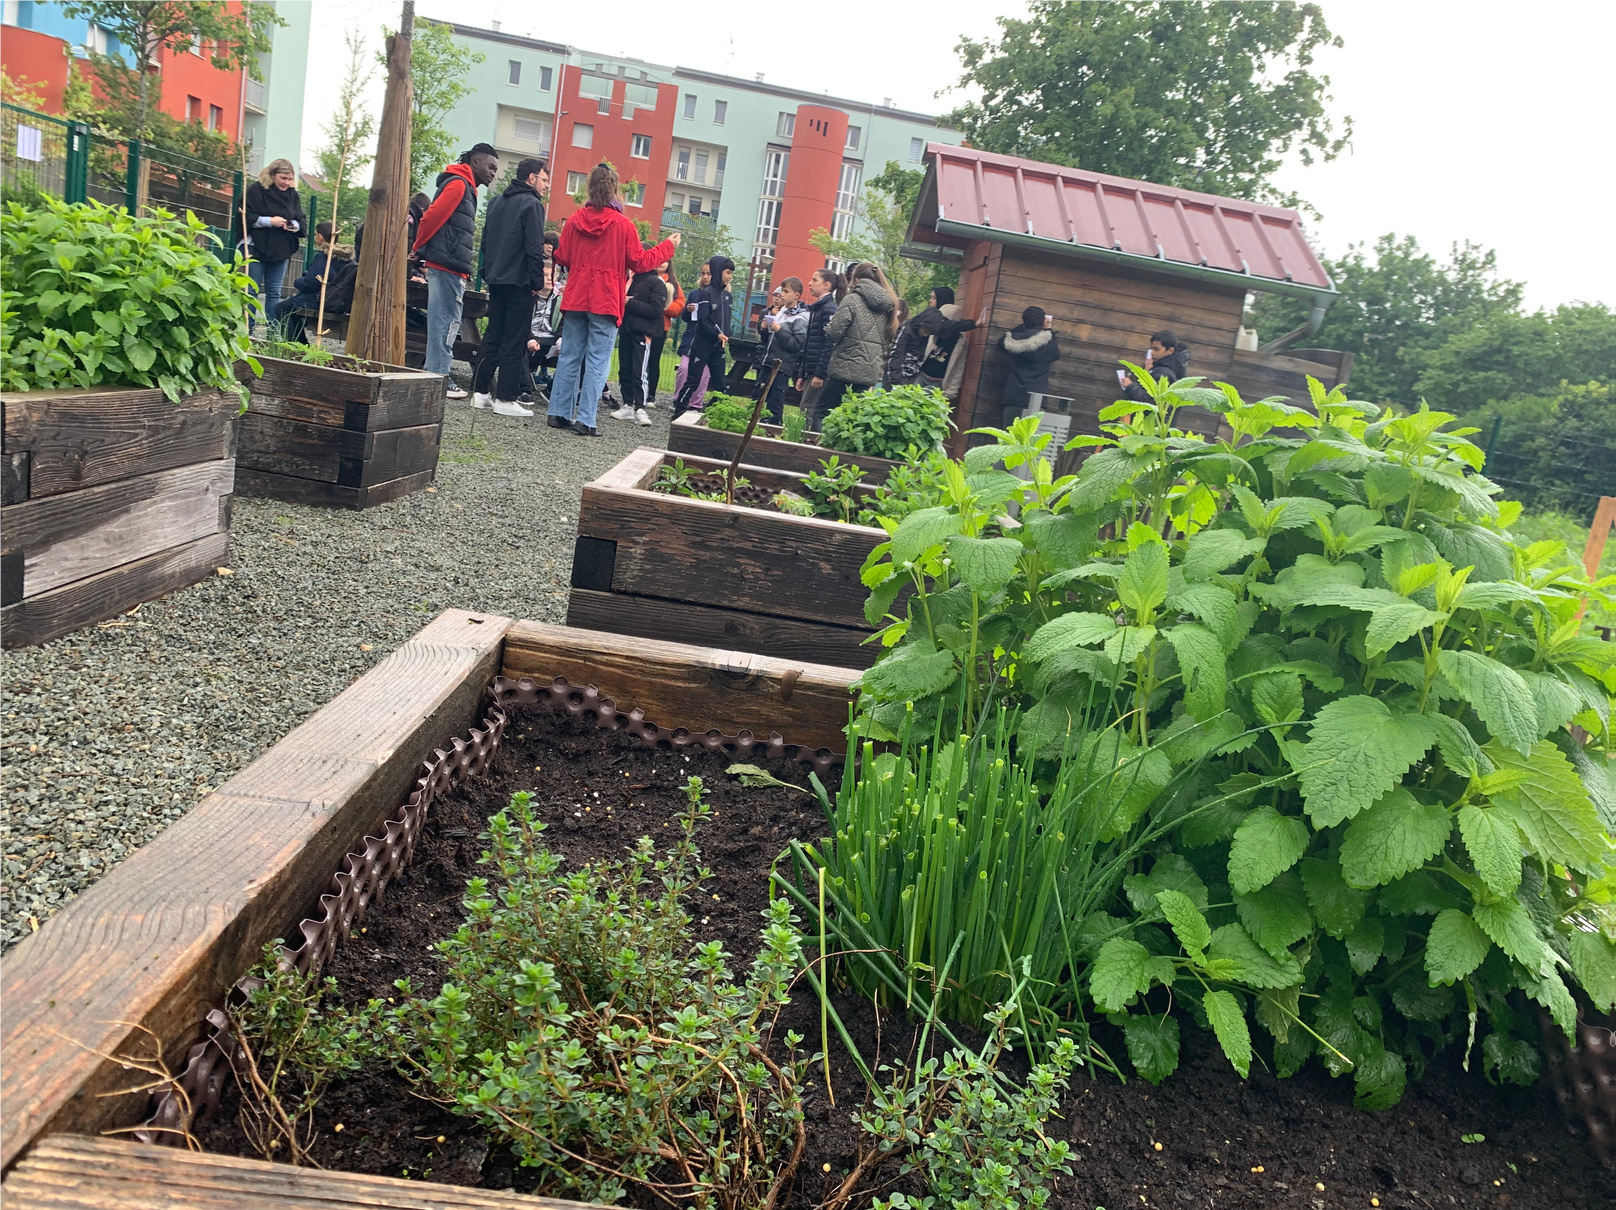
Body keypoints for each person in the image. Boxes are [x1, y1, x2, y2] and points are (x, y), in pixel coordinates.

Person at [547, 163, 680, 436]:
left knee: (570, 357)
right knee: (597, 360)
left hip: (576, 297)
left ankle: (558, 413)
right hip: (606, 300)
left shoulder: (574, 221)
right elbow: (641, 262)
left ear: (589, 187)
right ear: (615, 189)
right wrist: (667, 246)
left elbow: (562, 257)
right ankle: (586, 419)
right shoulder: (623, 226)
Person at [413, 143, 500, 400]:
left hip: (449, 265)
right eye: (491, 166)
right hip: (446, 265)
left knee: (446, 322)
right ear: (475, 162)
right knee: (446, 323)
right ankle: (438, 377)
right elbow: (431, 217)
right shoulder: (459, 185)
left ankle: (436, 374)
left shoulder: (464, 186)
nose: (494, 172)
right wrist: (419, 247)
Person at [471, 157, 549, 418]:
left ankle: (480, 392)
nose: (546, 185)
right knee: (515, 340)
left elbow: (485, 241)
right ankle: (505, 397)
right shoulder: (532, 205)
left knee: (493, 334)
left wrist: (486, 272)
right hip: (519, 281)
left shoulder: (496, 203)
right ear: (531, 178)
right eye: (544, 179)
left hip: (496, 278)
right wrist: (538, 282)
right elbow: (534, 248)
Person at [819, 262, 899, 420]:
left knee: (822, 412)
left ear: (856, 280)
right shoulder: (888, 305)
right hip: (868, 372)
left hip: (844, 367)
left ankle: (815, 444)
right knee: (853, 418)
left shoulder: (852, 300)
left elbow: (834, 334)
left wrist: (828, 329)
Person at [243, 158, 305, 332]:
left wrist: (293, 226)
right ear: (272, 175)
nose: (286, 182)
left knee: (274, 293)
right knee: (251, 291)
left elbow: (301, 219)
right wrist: (269, 221)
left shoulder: (293, 196)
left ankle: (273, 332)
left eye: (289, 179)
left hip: (281, 249)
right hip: (256, 247)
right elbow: (244, 216)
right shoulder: (255, 191)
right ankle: (248, 329)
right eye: (283, 178)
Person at [670, 255, 734, 418]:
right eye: (727, 272)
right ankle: (679, 410)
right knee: (693, 379)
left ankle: (718, 414)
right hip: (703, 345)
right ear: (719, 272)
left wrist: (726, 334)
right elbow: (703, 322)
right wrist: (717, 333)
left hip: (718, 347)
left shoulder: (727, 296)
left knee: (720, 383)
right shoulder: (705, 294)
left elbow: (726, 321)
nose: (730, 276)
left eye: (731, 273)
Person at [612, 250, 669, 426]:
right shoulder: (630, 280)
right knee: (625, 368)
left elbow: (656, 310)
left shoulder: (656, 283)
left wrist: (630, 303)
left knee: (640, 370)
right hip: (626, 329)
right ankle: (627, 403)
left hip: (642, 331)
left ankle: (640, 407)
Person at [272, 222, 356, 339]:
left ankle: (294, 344)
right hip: (337, 301)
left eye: (316, 234)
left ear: (320, 236)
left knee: (281, 308)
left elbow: (311, 283)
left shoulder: (324, 257)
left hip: (319, 299)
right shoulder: (348, 260)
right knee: (293, 312)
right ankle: (298, 343)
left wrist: (298, 282)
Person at [757, 277, 808, 423]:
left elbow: (796, 344)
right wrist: (765, 328)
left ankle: (774, 426)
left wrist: (778, 330)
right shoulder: (781, 312)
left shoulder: (801, 317)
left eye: (786, 291)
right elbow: (770, 339)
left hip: (782, 365)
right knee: (759, 396)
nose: (782, 295)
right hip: (769, 361)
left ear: (796, 295)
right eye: (781, 290)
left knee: (775, 401)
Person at [1001, 305, 1062, 425]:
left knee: (1007, 439)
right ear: (1043, 321)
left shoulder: (1014, 339)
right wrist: (1048, 331)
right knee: (1030, 440)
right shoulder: (1050, 342)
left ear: (1024, 321)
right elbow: (1056, 355)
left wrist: (1020, 328)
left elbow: (1001, 343)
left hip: (1013, 396)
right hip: (1037, 398)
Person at [797, 267, 841, 427]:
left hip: (818, 371)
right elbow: (810, 343)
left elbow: (829, 343)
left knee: (809, 410)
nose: (809, 283)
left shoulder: (828, 309)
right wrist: (803, 373)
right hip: (812, 369)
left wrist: (820, 374)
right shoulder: (818, 308)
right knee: (807, 409)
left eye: (815, 280)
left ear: (826, 285)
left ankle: (807, 444)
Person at [671, 260, 712, 409]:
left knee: (704, 374)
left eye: (709, 274)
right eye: (703, 273)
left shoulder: (719, 296)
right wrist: (687, 311)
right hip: (691, 340)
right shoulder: (695, 294)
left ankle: (695, 403)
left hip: (707, 343)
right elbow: (685, 318)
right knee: (684, 369)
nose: (705, 277)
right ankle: (678, 398)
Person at [647, 263, 683, 408]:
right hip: (643, 323)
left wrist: (663, 305)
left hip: (661, 327)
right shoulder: (647, 277)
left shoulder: (673, 283)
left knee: (653, 361)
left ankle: (651, 394)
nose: (662, 263)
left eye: (665, 260)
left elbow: (679, 305)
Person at [1120, 329, 1191, 401]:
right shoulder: (1164, 367)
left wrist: (1130, 386)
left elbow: (1152, 400)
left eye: (1156, 349)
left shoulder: (1164, 373)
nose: (1152, 353)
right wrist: (1148, 371)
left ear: (1170, 351)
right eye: (1151, 349)